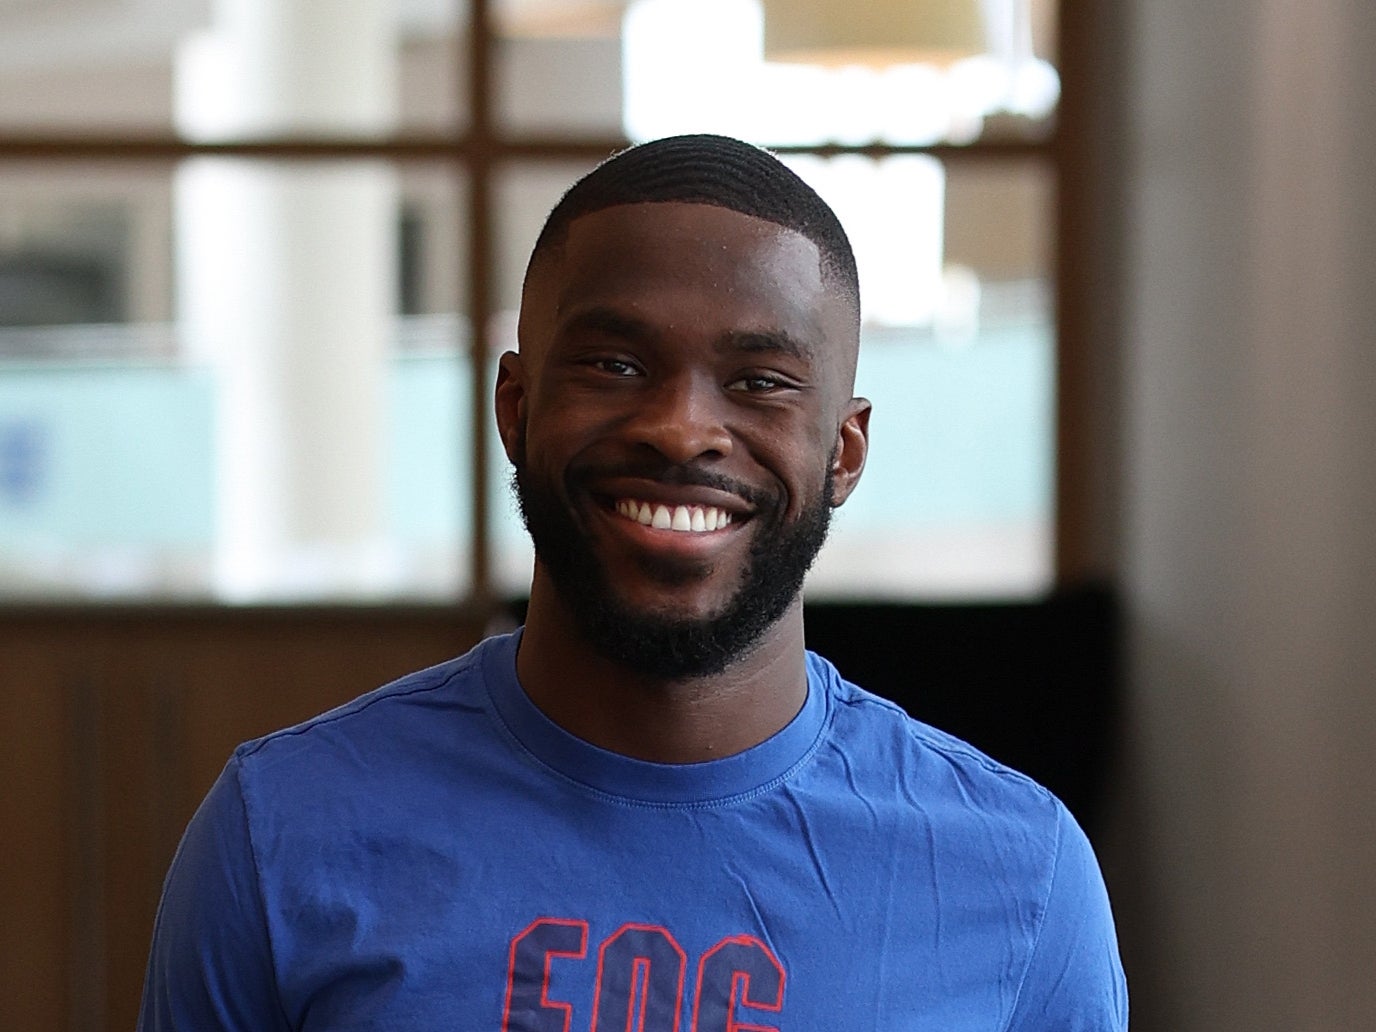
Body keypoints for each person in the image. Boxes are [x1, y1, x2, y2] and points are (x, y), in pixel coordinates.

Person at [138, 134, 1128, 1030]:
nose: (680, 427)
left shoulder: (1018, 881)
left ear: (844, 448)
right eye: (614, 363)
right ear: (515, 408)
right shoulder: (281, 835)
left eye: (759, 381)